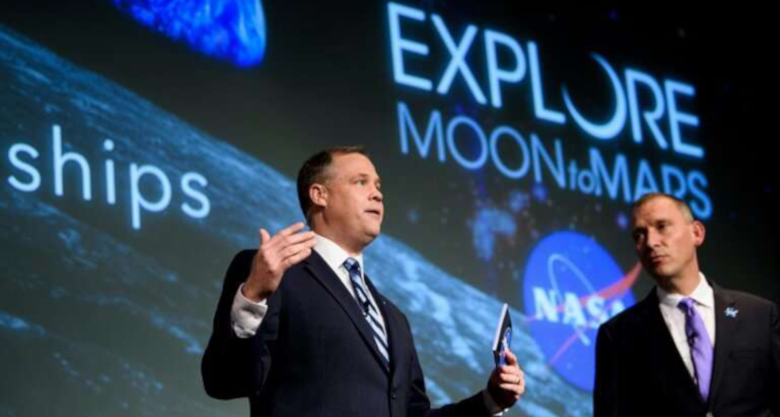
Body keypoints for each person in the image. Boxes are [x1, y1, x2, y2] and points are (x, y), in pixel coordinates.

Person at [202, 146, 525, 417]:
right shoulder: (273, 273)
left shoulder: (394, 319)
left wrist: (490, 400)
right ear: (320, 194)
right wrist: (254, 294)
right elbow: (223, 381)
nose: (377, 194)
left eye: (379, 186)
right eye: (361, 182)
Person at [594, 192, 780, 417]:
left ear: (697, 233)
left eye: (662, 226)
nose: (651, 242)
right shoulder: (618, 335)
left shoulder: (758, 315)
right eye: (639, 235)